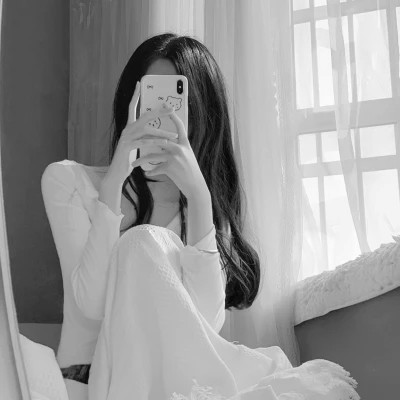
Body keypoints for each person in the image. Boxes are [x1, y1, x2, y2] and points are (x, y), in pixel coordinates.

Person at [41, 33, 359, 400]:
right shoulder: (69, 182)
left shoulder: (201, 204)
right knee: (139, 241)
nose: (161, 118)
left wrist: (199, 197)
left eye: (176, 106)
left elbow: (204, 322)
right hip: (94, 381)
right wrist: (113, 184)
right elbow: (93, 306)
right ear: (130, 103)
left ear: (202, 116)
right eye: (151, 102)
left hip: (184, 382)